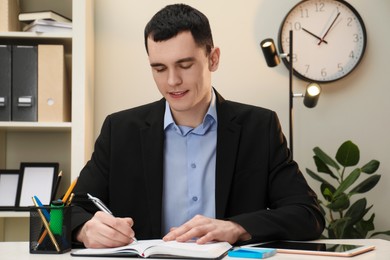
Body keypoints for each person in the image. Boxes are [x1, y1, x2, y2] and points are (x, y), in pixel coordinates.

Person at [71, 3, 324, 249]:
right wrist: (84, 230)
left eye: (185, 65)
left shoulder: (259, 127)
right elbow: (68, 210)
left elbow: (308, 215)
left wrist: (236, 228)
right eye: (159, 68)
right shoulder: (120, 130)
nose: (172, 81)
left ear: (213, 59)